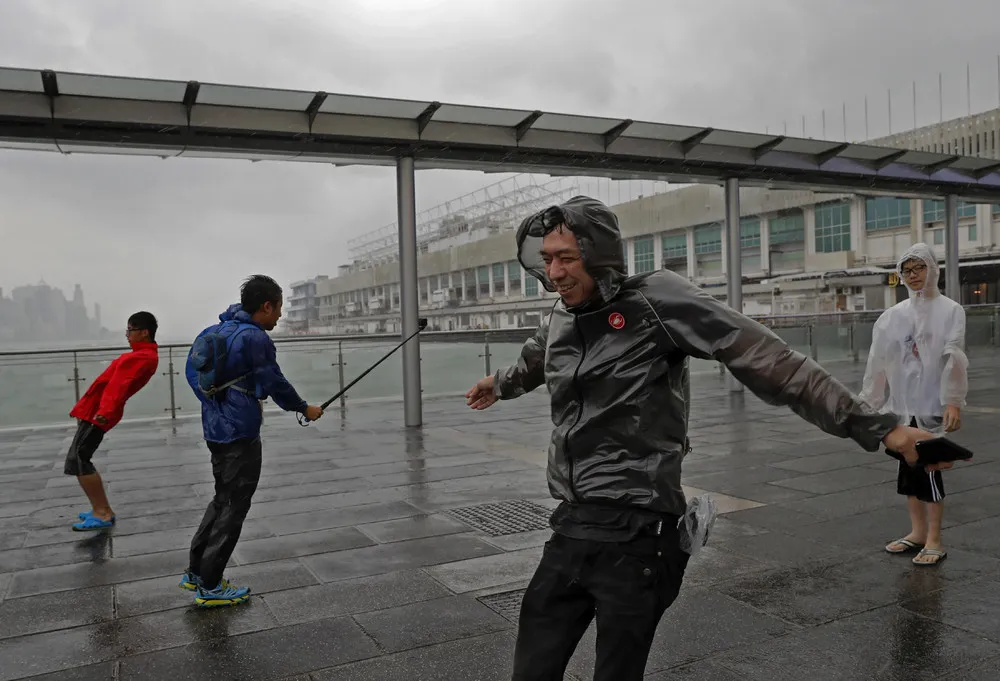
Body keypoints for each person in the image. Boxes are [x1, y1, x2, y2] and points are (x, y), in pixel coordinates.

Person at [464, 196, 945, 681]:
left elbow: (771, 361)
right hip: (569, 529)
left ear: (599, 253)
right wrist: (500, 385)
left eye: (566, 257)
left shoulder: (657, 300)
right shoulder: (560, 316)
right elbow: (537, 357)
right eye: (546, 259)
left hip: (636, 536)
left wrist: (881, 427)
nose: (555, 272)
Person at [181, 275, 324, 608]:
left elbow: (193, 375)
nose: (279, 317)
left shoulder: (214, 331)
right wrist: (304, 408)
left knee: (221, 499)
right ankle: (211, 585)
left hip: (215, 428)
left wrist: (216, 405)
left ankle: (196, 573)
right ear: (266, 306)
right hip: (240, 433)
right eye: (279, 310)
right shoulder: (254, 337)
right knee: (233, 507)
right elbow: (273, 380)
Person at [859, 243, 968, 567]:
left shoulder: (950, 310)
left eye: (919, 268)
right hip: (902, 407)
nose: (914, 275)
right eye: (907, 270)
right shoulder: (893, 317)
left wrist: (953, 402)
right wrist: (870, 404)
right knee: (908, 472)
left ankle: (934, 538)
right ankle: (917, 532)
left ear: (933, 269)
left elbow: (954, 357)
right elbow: (877, 363)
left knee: (930, 471)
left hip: (931, 405)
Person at [66, 311, 160, 531]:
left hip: (97, 413)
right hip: (94, 411)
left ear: (144, 332)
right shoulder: (142, 354)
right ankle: (101, 509)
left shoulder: (141, 357)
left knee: (79, 459)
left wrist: (104, 412)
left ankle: (102, 512)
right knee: (79, 458)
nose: (127, 335)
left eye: (130, 330)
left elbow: (118, 387)